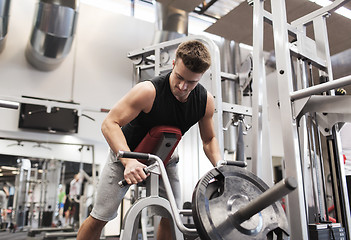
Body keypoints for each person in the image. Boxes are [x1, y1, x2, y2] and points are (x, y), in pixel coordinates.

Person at [77, 39, 222, 240]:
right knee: (101, 216)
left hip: (165, 159)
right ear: (173, 64)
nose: (182, 86)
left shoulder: (205, 101)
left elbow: (209, 139)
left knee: (172, 216)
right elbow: (110, 123)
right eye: (179, 77)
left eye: (191, 82)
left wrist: (221, 168)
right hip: (127, 152)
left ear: (201, 77)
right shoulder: (148, 91)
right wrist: (128, 161)